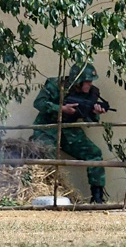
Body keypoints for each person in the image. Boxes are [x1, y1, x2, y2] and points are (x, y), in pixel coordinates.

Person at [30, 62, 114, 203]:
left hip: (69, 130)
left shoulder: (92, 93)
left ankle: (98, 197)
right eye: (87, 81)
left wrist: (95, 112)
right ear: (77, 80)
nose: (90, 84)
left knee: (94, 154)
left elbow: (91, 119)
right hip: (47, 128)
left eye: (90, 81)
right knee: (47, 156)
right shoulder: (55, 85)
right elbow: (38, 103)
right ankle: (50, 195)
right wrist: (61, 109)